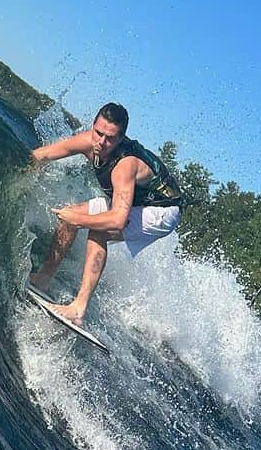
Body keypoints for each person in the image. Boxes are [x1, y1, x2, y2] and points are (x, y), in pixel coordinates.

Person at [29, 102, 182, 326]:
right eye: (98, 133)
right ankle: (42, 279)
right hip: (136, 202)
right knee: (70, 216)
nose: (101, 142)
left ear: (121, 139)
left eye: (110, 138)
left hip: (162, 209)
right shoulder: (88, 140)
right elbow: (41, 155)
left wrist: (76, 220)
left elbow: (118, 221)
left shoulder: (124, 166)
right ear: (93, 126)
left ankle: (77, 309)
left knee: (98, 230)